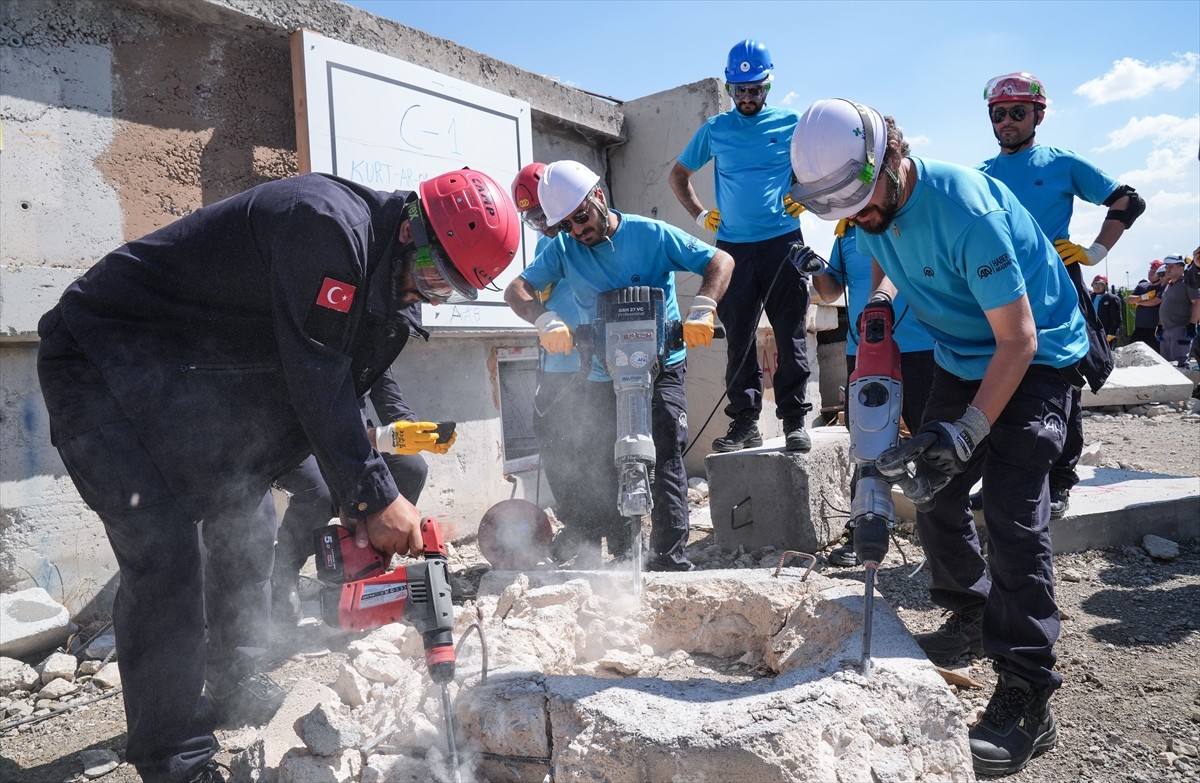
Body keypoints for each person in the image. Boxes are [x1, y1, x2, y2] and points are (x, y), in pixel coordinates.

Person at [36, 170, 519, 783]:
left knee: (247, 513)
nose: (424, 294)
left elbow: (341, 373)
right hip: (100, 362)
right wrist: (372, 496)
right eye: (429, 276)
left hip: (193, 378)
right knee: (164, 554)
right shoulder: (322, 225)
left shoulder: (377, 270)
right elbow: (318, 373)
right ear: (410, 230)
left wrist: (362, 490)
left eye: (444, 290)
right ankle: (176, 761)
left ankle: (232, 683)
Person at [789, 98, 1088, 778]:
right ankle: (970, 612)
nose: (860, 219)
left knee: (1011, 509)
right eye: (847, 213)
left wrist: (970, 428)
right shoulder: (872, 205)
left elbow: (1019, 339)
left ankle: (1028, 691)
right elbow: (892, 249)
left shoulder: (969, 209)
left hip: (1037, 359)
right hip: (959, 354)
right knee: (932, 489)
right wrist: (884, 299)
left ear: (893, 159)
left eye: (865, 204)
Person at [504, 160, 733, 571]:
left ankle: (668, 558)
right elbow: (517, 289)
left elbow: (720, 261)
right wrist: (545, 318)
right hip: (600, 370)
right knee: (597, 458)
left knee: (664, 456)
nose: (577, 230)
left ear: (599, 197)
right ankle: (620, 556)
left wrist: (703, 307)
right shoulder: (564, 249)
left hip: (662, 365)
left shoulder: (651, 235)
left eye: (581, 217)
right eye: (567, 225)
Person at [977, 71, 1144, 519]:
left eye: (1017, 112)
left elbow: (1128, 201)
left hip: (1056, 284)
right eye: (999, 114)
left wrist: (1094, 251)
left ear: (1038, 114)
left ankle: (1059, 480)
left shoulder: (1060, 162)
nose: (1007, 121)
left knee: (1062, 380)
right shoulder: (981, 176)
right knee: (999, 377)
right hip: (1000, 286)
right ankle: (1002, 475)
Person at [668, 38, 815, 453]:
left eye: (755, 89)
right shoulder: (715, 130)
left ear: (768, 85)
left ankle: (793, 421)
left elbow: (824, 170)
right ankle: (745, 422)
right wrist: (700, 215)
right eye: (740, 90)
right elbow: (678, 176)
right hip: (733, 250)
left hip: (784, 243)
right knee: (739, 339)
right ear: (730, 88)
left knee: (790, 335)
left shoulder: (792, 123)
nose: (747, 98)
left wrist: (803, 196)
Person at [270, 366, 440, 627]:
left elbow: (388, 394)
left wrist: (412, 432)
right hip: (289, 435)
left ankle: (366, 567)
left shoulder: (371, 332)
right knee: (321, 491)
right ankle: (283, 573)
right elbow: (313, 400)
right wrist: (355, 475)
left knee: (411, 468)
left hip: (348, 432)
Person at [811, 218, 936, 566]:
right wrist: (817, 266)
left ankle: (941, 537)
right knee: (868, 444)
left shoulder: (910, 223)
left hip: (922, 349)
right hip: (863, 351)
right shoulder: (848, 232)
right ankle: (862, 532)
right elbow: (831, 292)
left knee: (931, 443)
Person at [509, 163, 588, 548]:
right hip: (557, 366)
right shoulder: (546, 245)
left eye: (543, 213)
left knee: (595, 447)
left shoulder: (588, 235)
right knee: (555, 444)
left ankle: (611, 530)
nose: (542, 224)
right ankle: (577, 526)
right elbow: (527, 292)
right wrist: (542, 316)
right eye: (533, 218)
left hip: (593, 368)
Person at [1157, 254, 1200, 367]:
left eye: (1171, 266)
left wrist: (1192, 324)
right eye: (1166, 266)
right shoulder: (1169, 285)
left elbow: (1196, 303)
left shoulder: (1188, 282)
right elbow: (1164, 307)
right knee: (1166, 364)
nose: (1167, 269)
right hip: (1166, 330)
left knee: (1179, 363)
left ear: (1181, 267)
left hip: (1181, 329)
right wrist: (1160, 326)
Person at [1128, 260, 1166, 351]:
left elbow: (1155, 301)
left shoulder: (1163, 286)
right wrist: (1144, 296)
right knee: (1132, 351)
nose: (1151, 272)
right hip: (1139, 328)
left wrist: (1138, 302)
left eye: (1154, 271)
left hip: (1155, 328)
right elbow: (1129, 300)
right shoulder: (1141, 286)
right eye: (1150, 270)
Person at [1089, 276, 1124, 344]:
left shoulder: (1112, 299)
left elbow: (1116, 319)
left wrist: (1111, 334)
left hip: (1106, 333)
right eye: (1095, 284)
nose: (1097, 286)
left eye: (1100, 284)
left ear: (1105, 286)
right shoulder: (1089, 297)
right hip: (1091, 333)